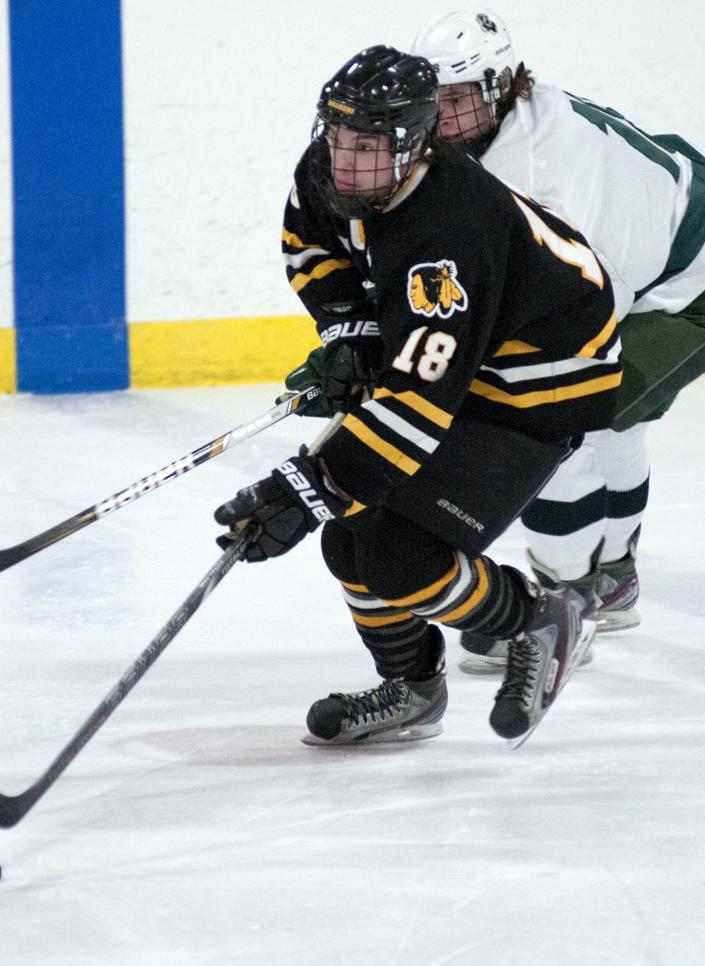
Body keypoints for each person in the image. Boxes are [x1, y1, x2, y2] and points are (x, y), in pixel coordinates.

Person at [215, 46, 622, 745]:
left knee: (401, 555)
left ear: (415, 143)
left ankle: (538, 618)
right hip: (463, 350)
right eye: (338, 134)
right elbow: (309, 250)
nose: (345, 158)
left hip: (543, 378)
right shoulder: (328, 175)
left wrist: (306, 487)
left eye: (368, 143)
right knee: (349, 543)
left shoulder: (449, 230)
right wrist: (355, 332)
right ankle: (412, 688)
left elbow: (416, 402)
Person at [401, 10, 705, 672]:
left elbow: (573, 320)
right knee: (609, 426)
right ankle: (614, 579)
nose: (440, 116)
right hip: (674, 244)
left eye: (456, 99)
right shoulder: (512, 123)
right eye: (435, 99)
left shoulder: (540, 178)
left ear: (498, 85)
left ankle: (560, 610)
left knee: (561, 424)